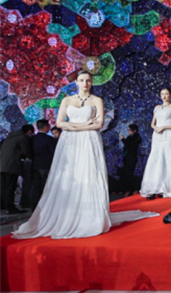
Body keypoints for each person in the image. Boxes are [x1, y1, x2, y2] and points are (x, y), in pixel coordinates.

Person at [12, 71, 158, 240]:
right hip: (70, 141)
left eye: (88, 80)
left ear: (91, 82)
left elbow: (99, 123)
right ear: (76, 82)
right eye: (81, 80)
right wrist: (83, 125)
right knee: (69, 176)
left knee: (88, 174)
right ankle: (67, 214)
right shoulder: (67, 100)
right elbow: (59, 122)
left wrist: (75, 126)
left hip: (89, 140)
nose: (85, 83)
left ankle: (89, 215)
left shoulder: (97, 100)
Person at [140, 88, 171, 200]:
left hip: (167, 135)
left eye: (166, 94)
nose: (164, 96)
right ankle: (153, 189)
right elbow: (152, 123)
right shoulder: (157, 108)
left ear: (170, 95)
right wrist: (156, 128)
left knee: (167, 159)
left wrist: (164, 127)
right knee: (155, 159)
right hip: (157, 135)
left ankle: (166, 189)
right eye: (162, 94)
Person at [0, 124, 34, 214]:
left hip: (3, 165)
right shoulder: (22, 137)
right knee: (10, 187)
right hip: (12, 166)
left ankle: (4, 205)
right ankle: (10, 207)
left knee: (3, 187)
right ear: (29, 132)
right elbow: (27, 151)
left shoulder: (9, 138)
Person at [29, 119, 57, 211]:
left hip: (35, 165)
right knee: (46, 187)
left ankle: (34, 207)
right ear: (45, 127)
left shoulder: (32, 139)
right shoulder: (49, 139)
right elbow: (53, 152)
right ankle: (46, 207)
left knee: (36, 187)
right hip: (46, 166)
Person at [119, 124, 142, 197]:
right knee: (126, 174)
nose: (128, 131)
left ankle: (132, 189)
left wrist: (123, 140)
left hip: (132, 157)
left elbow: (130, 146)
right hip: (127, 157)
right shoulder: (129, 137)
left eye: (130, 130)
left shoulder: (137, 137)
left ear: (134, 130)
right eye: (128, 130)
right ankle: (127, 189)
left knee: (130, 173)